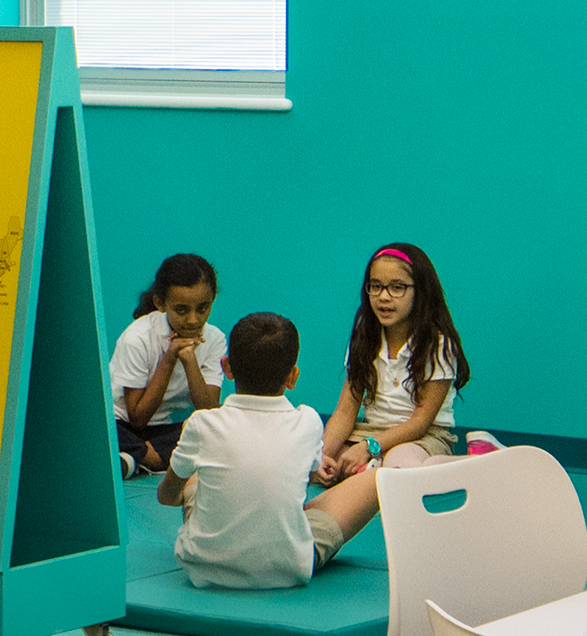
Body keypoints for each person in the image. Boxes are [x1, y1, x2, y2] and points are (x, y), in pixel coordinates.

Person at [301, 243, 471, 547]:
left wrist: (370, 447)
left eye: (397, 288)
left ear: (420, 292)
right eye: (376, 287)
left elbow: (421, 422)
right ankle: (373, 470)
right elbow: (345, 411)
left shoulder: (437, 344)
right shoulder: (364, 337)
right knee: (327, 464)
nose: (384, 296)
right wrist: (322, 455)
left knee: (400, 469)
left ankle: (472, 463)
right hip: (369, 433)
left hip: (423, 437)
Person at [163, 312, 330, 592]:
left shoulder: (203, 424)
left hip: (203, 566)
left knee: (197, 477)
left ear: (226, 367)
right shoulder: (310, 420)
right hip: (289, 568)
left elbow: (166, 496)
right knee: (368, 483)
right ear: (293, 376)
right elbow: (308, 480)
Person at [110, 253, 226, 480]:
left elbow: (208, 412)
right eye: (181, 310)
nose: (193, 320)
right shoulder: (137, 337)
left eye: (202, 308)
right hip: (123, 424)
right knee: (99, 432)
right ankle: (149, 457)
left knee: (218, 430)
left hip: (167, 430)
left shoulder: (215, 339)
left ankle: (133, 459)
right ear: (160, 303)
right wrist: (170, 357)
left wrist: (189, 359)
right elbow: (138, 418)